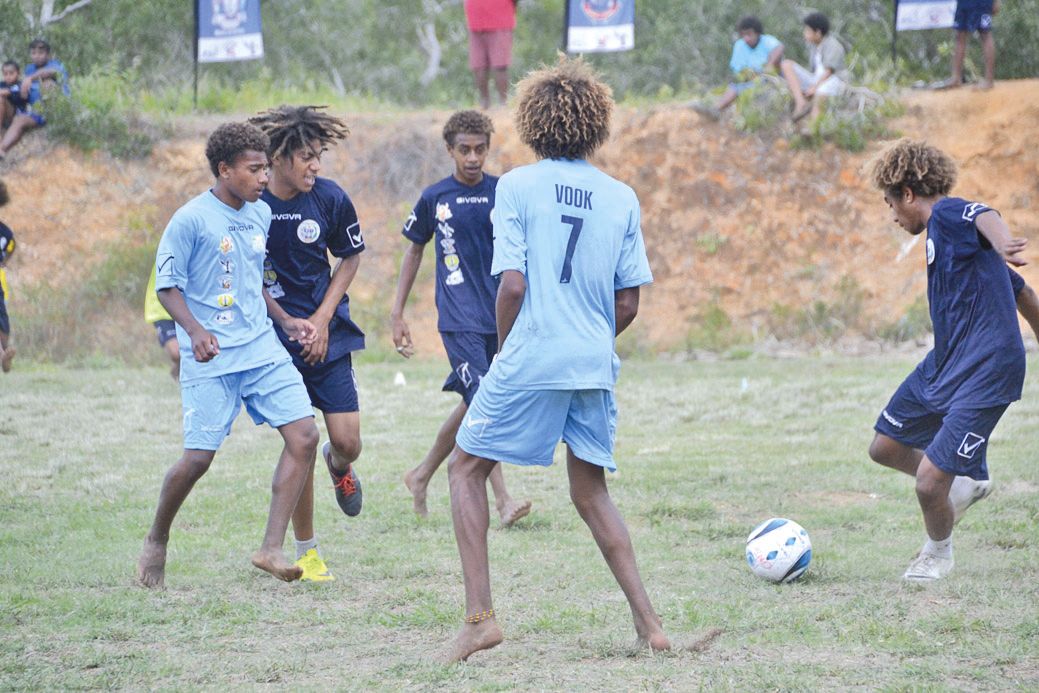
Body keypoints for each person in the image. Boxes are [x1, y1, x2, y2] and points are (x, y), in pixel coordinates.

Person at [442, 57, 671, 662]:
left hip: (532, 352)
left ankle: (480, 620)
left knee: (464, 470)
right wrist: (591, 337)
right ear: (596, 125)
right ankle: (651, 626)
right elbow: (629, 302)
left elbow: (512, 286)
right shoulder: (621, 197)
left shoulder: (515, 185)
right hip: (592, 362)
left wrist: (505, 348)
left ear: (533, 123)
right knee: (590, 490)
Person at [136, 122, 320, 589]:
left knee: (303, 436)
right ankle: (157, 538)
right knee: (197, 459)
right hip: (212, 355)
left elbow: (251, 281)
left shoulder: (259, 215)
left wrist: (283, 319)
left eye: (265, 168)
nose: (263, 178)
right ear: (224, 170)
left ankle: (270, 547)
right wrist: (194, 331)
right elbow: (167, 286)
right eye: (254, 169)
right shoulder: (191, 219)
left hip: (260, 347)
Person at [866, 138, 1029, 583]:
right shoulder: (950, 242)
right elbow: (1022, 292)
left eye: (891, 204)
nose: (893, 216)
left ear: (909, 194)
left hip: (987, 367)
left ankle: (938, 554)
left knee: (927, 483)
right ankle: (961, 484)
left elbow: (983, 214)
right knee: (885, 446)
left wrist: (1002, 243)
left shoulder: (948, 214)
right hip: (947, 362)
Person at [390, 110, 531, 526]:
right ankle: (503, 500)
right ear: (450, 150)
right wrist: (397, 312)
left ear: (488, 148)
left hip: (500, 317)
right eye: (464, 150)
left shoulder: (504, 191)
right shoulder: (435, 197)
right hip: (458, 319)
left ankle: (420, 475)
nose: (473, 157)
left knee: (477, 402)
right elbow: (414, 250)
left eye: (480, 149)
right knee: (487, 400)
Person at [249, 105, 366, 582]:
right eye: (305, 157)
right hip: (276, 344)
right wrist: (286, 321)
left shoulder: (330, 199)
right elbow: (245, 274)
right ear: (277, 158)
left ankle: (339, 466)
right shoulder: (252, 208)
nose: (315, 166)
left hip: (328, 336)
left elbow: (351, 257)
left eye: (318, 156)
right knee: (300, 440)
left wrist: (320, 320)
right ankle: (308, 552)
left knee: (346, 441)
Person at [693, 15, 784, 119]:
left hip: (771, 79)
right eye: (743, 35)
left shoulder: (767, 40)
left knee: (737, 88)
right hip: (752, 80)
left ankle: (716, 109)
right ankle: (715, 109)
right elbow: (738, 70)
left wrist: (769, 66)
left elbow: (779, 48)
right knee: (734, 87)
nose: (746, 38)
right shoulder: (739, 45)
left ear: (757, 33)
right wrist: (750, 75)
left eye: (749, 34)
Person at [780, 12, 848, 125]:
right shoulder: (814, 46)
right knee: (786, 64)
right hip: (816, 79)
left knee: (821, 92)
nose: (805, 34)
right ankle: (800, 102)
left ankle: (813, 126)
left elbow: (829, 71)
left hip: (832, 80)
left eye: (807, 31)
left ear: (818, 33)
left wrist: (815, 87)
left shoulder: (833, 45)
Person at [463, 0, 517, 109]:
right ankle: (485, 103)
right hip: (475, 23)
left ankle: (503, 102)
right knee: (478, 66)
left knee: (500, 65)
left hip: (500, 21)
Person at [942, 0, 999, 90]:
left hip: (982, 3)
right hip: (964, 3)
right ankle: (956, 78)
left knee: (985, 34)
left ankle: (989, 80)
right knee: (960, 34)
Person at [0, 60, 43, 160]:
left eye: (11, 73)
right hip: (5, 116)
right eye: (5, 74)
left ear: (18, 73)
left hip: (15, 116)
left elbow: (6, 92)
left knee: (0, 98)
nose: (8, 76)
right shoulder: (2, 84)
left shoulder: (20, 85)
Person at [145, 264, 181, 380]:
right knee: (176, 352)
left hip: (186, 308)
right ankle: (179, 365)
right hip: (161, 309)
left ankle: (183, 371)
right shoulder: (167, 247)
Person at [0, 180, 15, 373]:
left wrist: (4, 262)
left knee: (3, 326)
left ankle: (3, 355)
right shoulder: (6, 233)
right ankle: (3, 356)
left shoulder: (6, 233)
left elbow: (11, 248)